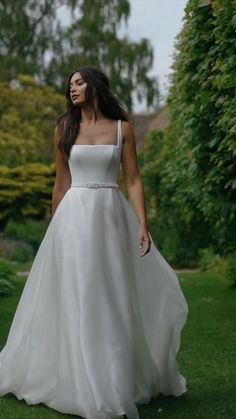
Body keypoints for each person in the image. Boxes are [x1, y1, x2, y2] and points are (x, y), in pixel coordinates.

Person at [0, 65, 188, 419]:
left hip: (111, 219)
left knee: (112, 294)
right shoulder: (64, 128)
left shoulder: (123, 129)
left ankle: (115, 377)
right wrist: (54, 229)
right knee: (78, 293)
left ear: (95, 86)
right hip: (72, 219)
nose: (72, 89)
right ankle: (78, 376)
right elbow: (61, 183)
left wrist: (143, 224)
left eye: (79, 82)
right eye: (69, 83)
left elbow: (132, 180)